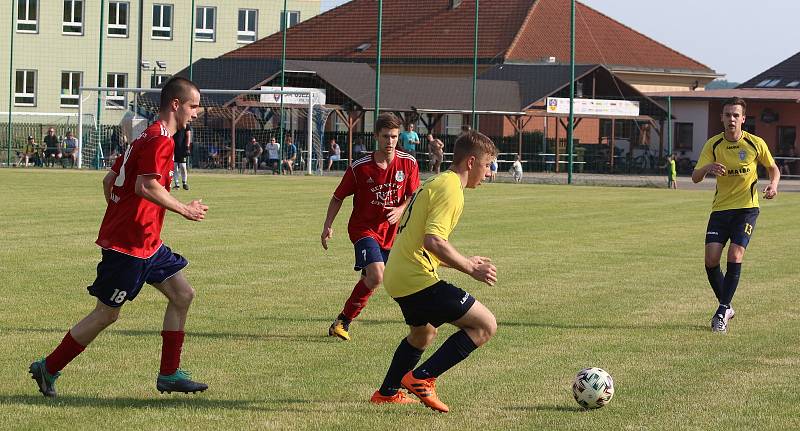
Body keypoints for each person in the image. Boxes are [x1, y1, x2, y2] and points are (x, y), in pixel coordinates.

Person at [28, 77, 209, 398]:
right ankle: (49, 366)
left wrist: (121, 212)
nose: (197, 113)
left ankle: (169, 374)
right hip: (129, 247)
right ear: (176, 105)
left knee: (183, 295)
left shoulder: (143, 136)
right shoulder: (160, 141)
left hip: (146, 242)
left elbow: (109, 181)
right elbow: (145, 186)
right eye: (194, 106)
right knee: (107, 314)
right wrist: (184, 209)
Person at [371, 130, 498, 411]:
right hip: (415, 278)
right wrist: (468, 268)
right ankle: (423, 379)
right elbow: (434, 241)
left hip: (399, 274)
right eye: (487, 165)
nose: (488, 173)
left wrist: (464, 260)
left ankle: (387, 392)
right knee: (485, 325)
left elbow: (423, 242)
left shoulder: (439, 182)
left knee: (423, 334)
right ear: (471, 162)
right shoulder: (451, 188)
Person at [321, 113, 420, 341]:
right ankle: (344, 322)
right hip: (364, 229)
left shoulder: (408, 163)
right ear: (376, 136)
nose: (390, 141)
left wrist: (401, 209)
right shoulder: (360, 167)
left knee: (385, 277)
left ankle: (340, 322)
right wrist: (327, 226)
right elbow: (337, 197)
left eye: (394, 136)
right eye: (385, 136)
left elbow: (413, 194)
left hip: (391, 232)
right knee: (376, 276)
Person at [691, 97, 779, 334]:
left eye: (735, 115)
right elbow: (695, 177)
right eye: (727, 114)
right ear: (722, 118)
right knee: (711, 260)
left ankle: (721, 312)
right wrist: (708, 168)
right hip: (720, 209)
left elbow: (773, 168)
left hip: (747, 209)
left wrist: (773, 185)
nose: (731, 119)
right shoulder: (713, 144)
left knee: (735, 253)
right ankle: (727, 305)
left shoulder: (754, 143)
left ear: (743, 119)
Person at [173, 124, 191, 190]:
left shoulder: (186, 125)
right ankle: (177, 184)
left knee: (183, 166)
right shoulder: (174, 124)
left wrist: (187, 147)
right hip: (173, 149)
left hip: (182, 149)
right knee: (174, 166)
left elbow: (188, 136)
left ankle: (184, 183)